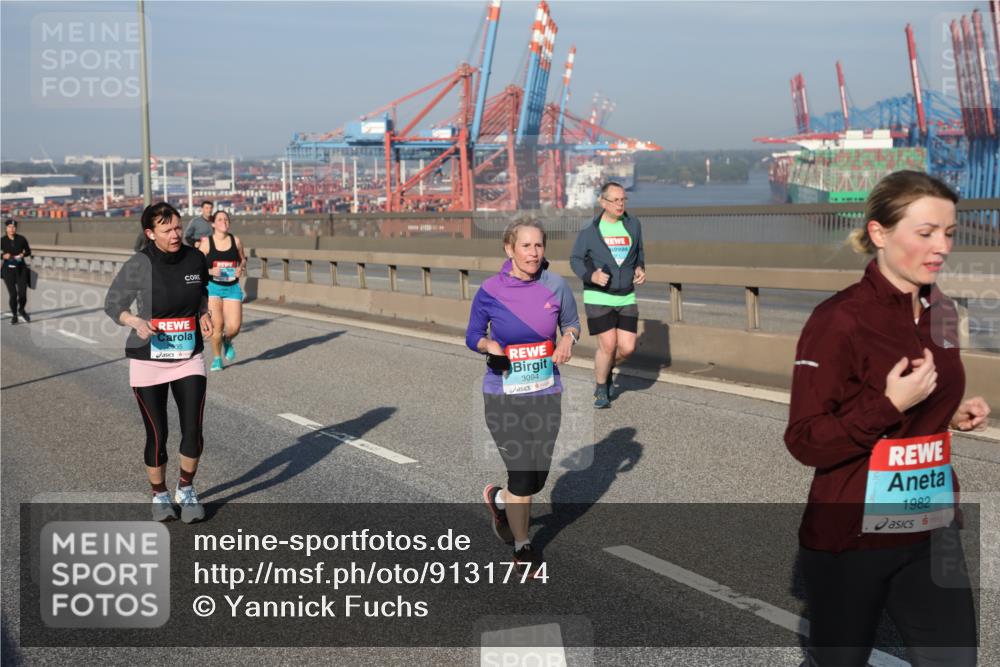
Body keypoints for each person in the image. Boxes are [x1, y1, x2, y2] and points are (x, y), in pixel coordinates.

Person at [785, 170, 990, 666]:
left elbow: (923, 402)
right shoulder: (838, 320)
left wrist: (949, 410)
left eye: (949, 233)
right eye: (926, 233)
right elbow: (805, 440)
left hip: (932, 524)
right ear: (879, 233)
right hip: (852, 533)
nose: (942, 247)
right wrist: (888, 405)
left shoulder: (942, 311)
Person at [466, 219, 580, 577]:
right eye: (526, 246)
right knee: (522, 473)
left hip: (546, 391)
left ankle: (499, 500)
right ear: (509, 249)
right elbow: (472, 335)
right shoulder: (490, 290)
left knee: (536, 479)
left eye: (538, 246)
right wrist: (490, 345)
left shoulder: (556, 285)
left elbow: (572, 324)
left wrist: (568, 340)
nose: (533, 253)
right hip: (503, 393)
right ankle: (522, 546)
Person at [105, 202, 214, 523]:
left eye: (178, 227)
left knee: (193, 429)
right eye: (167, 230)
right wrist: (135, 321)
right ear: (150, 234)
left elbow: (202, 291)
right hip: (148, 360)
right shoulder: (139, 264)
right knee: (158, 434)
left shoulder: (195, 258)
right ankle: (160, 495)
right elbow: (113, 303)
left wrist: (204, 312)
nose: (175, 234)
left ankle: (186, 489)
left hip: (188, 357)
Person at [569, 181, 645, 408]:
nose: (620, 204)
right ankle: (601, 388)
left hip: (626, 295)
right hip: (598, 296)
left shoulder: (633, 224)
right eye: (615, 200)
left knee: (628, 348)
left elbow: (639, 252)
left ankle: (607, 368)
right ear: (602, 202)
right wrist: (591, 275)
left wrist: (640, 268)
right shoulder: (590, 230)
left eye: (623, 200)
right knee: (608, 345)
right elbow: (575, 259)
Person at [198, 210, 246, 371]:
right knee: (217, 326)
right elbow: (196, 266)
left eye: (226, 219)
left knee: (234, 327)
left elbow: (243, 259)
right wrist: (211, 271)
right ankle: (217, 359)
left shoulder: (236, 241)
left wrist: (240, 268)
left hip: (232, 288)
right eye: (220, 219)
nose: (224, 222)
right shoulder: (206, 243)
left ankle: (227, 340)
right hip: (213, 288)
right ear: (213, 224)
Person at [2, 218, 31, 324]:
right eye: (9, 227)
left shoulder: (21, 239)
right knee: (13, 295)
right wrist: (3, 255)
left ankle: (21, 309)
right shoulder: (2, 240)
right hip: (8, 270)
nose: (12, 229)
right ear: (6, 228)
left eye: (14, 227)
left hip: (21, 269)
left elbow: (28, 251)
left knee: (23, 295)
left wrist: (23, 254)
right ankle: (14, 315)